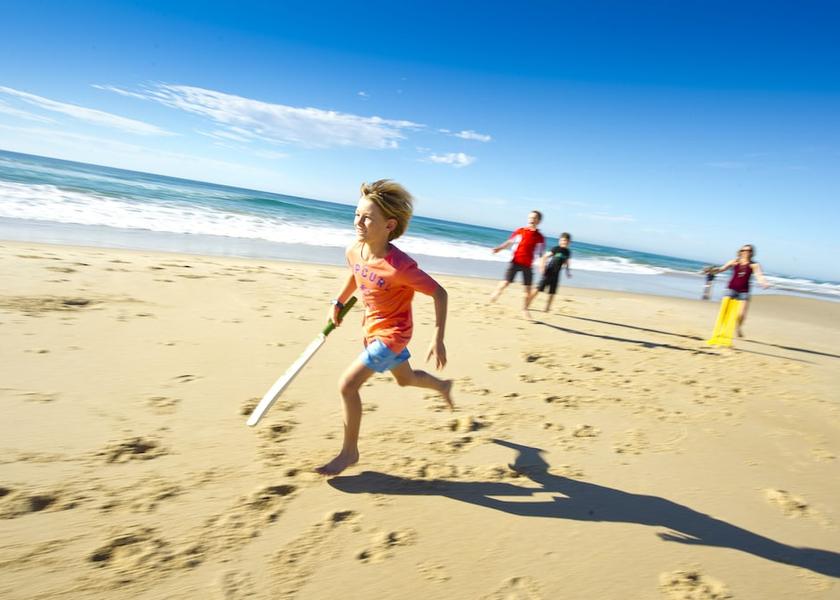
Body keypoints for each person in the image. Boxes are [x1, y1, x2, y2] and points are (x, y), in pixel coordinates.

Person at [317, 179, 453, 476]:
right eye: (357, 214)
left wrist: (437, 338)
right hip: (371, 329)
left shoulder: (400, 267)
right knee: (406, 379)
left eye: (367, 218)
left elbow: (439, 293)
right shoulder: (355, 250)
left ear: (389, 225)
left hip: (393, 336)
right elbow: (355, 274)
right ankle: (443, 386)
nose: (358, 222)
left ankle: (349, 452)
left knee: (347, 386)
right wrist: (337, 303)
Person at [489, 210, 546, 319]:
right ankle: (497, 292)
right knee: (505, 282)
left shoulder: (540, 237)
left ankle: (525, 309)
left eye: (534, 218)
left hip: (527, 265)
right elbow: (509, 242)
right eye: (530, 217)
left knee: (528, 289)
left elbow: (541, 253)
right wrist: (499, 248)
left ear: (538, 221)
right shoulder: (520, 231)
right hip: (515, 262)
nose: (531, 220)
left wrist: (542, 265)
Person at [712, 244, 770, 337]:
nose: (745, 252)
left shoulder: (754, 265)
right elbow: (722, 269)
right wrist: (713, 270)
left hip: (744, 291)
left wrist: (764, 282)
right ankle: (721, 329)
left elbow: (759, 275)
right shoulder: (734, 261)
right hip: (731, 289)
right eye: (743, 250)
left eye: (748, 250)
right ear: (740, 251)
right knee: (725, 311)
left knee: (742, 314)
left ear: (752, 253)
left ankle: (738, 327)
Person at [529, 232, 572, 312]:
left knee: (552, 292)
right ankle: (528, 303)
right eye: (562, 240)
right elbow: (545, 257)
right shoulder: (556, 248)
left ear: (569, 242)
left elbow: (566, 262)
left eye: (566, 241)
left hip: (556, 274)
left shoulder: (568, 252)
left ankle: (547, 308)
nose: (564, 242)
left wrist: (568, 272)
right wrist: (542, 267)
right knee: (538, 288)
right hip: (548, 272)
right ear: (559, 241)